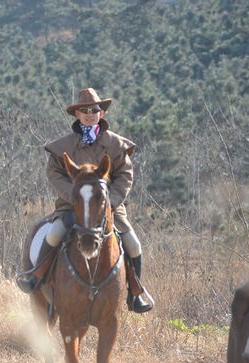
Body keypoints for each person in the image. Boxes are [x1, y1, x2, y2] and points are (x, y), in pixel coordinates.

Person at [16, 88, 154, 313]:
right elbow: (54, 173)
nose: (90, 114)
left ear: (102, 113)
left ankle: (134, 293)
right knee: (53, 234)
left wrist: (111, 201)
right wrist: (72, 195)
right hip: (72, 206)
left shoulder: (116, 144)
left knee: (134, 245)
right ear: (77, 115)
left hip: (109, 208)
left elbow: (125, 175)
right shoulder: (64, 145)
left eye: (95, 110)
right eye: (85, 110)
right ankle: (36, 277)